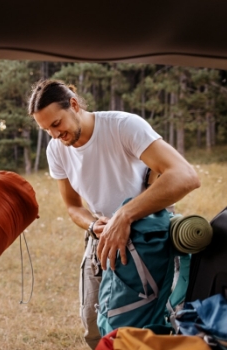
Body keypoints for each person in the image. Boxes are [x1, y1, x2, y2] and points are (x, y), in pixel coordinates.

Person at [27, 80, 200, 349]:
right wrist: (94, 224)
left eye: (57, 123)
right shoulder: (56, 150)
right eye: (46, 129)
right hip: (102, 236)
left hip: (147, 235)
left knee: (151, 324)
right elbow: (73, 206)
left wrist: (125, 216)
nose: (54, 134)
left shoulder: (123, 126)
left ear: (74, 105)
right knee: (94, 325)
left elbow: (186, 176)